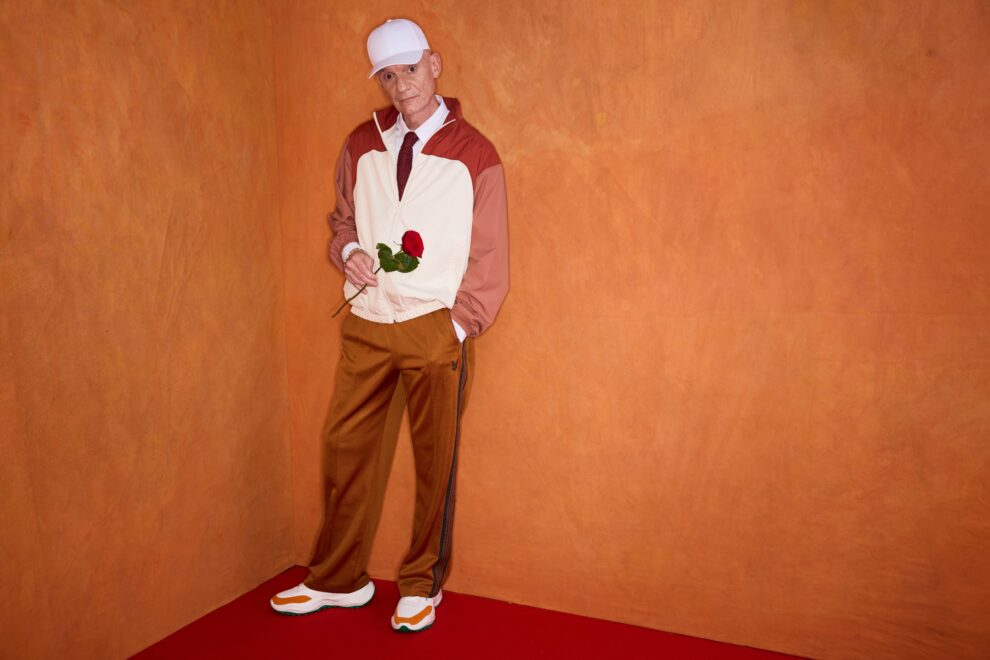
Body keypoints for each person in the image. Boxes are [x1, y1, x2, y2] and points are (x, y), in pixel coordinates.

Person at [269, 17, 509, 633]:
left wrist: (459, 326)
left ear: (434, 64)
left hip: (435, 328)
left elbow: (490, 253)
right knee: (344, 448)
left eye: (410, 69)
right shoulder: (361, 144)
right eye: (388, 76)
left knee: (435, 463)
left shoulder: (475, 154)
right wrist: (348, 251)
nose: (401, 86)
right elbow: (343, 220)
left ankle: (421, 584)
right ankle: (337, 579)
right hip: (368, 323)